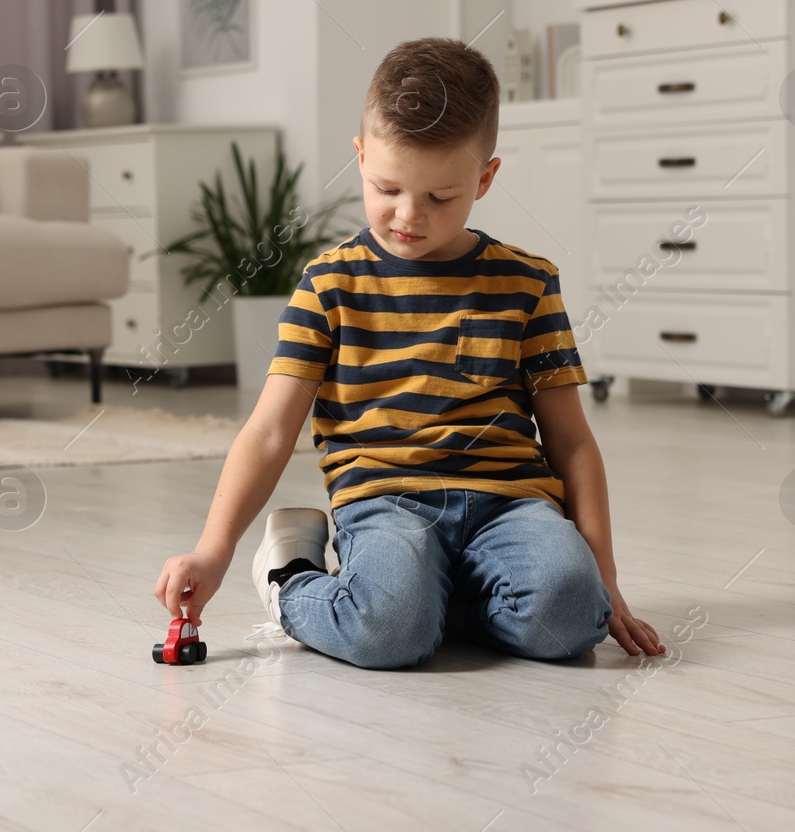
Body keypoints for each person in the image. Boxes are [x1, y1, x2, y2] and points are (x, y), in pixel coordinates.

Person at [153, 37, 666, 669]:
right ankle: (292, 577)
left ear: (485, 177)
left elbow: (573, 441)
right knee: (388, 634)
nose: (408, 215)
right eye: (386, 187)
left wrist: (604, 576)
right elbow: (268, 431)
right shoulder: (329, 284)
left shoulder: (529, 282)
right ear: (361, 155)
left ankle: (434, 600)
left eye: (440, 197)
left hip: (511, 503)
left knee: (570, 619)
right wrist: (213, 549)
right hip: (387, 500)